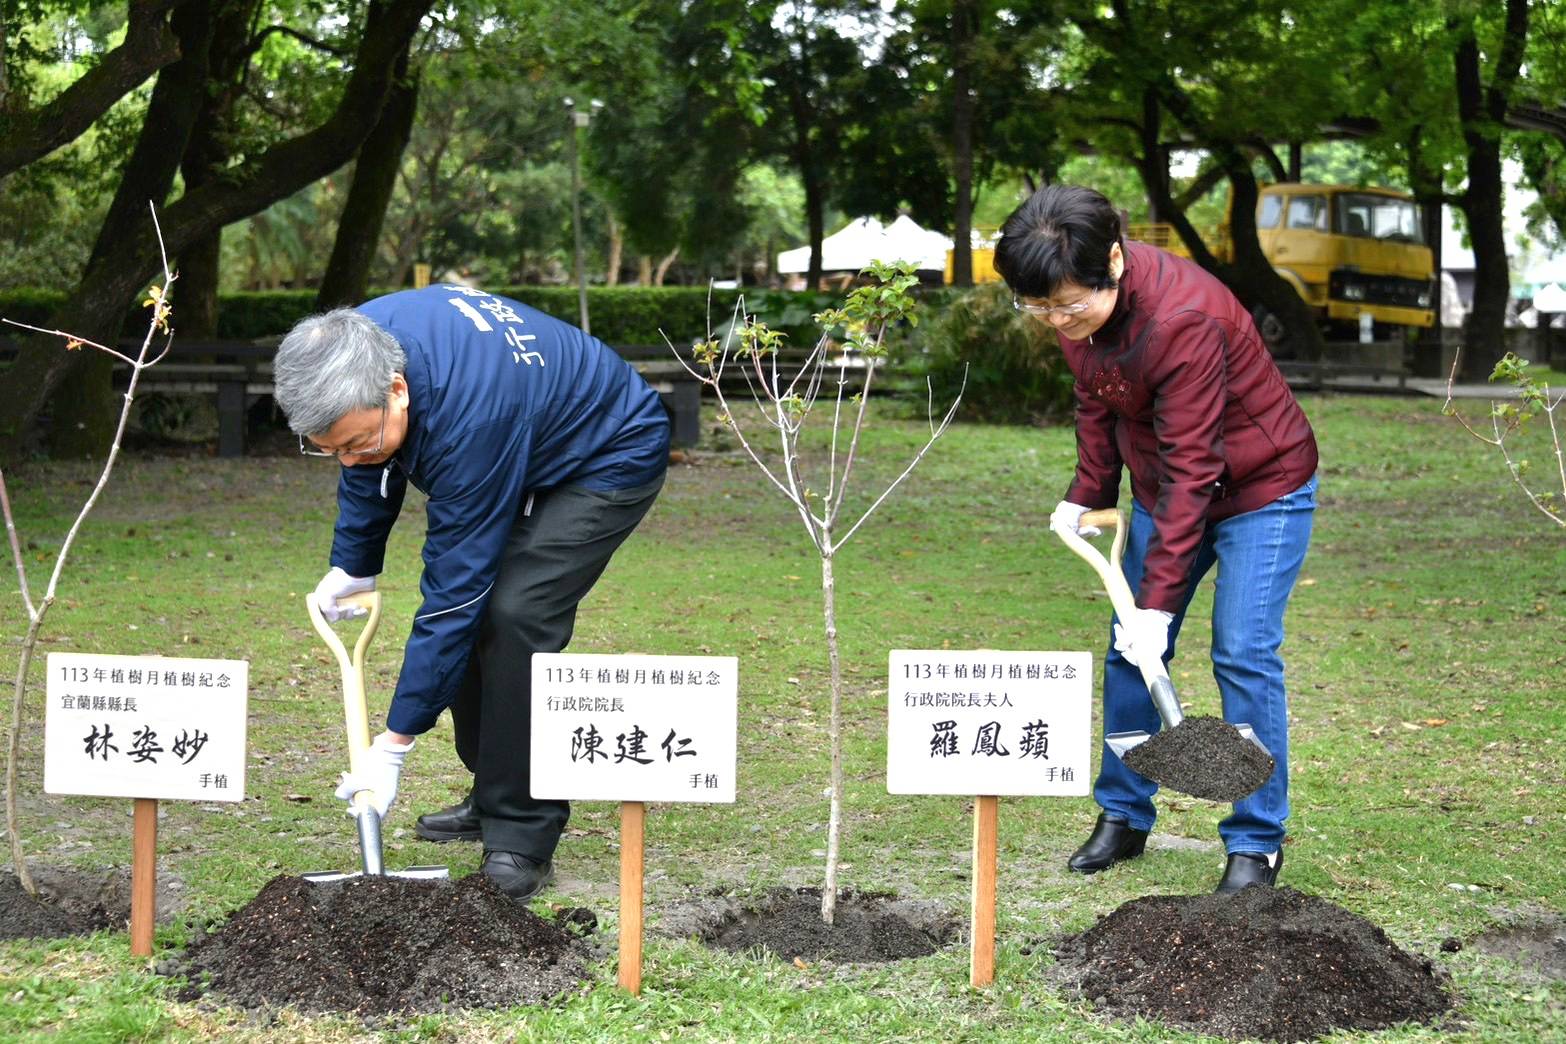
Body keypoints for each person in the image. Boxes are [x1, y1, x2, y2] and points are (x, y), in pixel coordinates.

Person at [273, 284, 670, 901]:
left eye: (354, 442)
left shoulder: (471, 416)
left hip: (605, 452)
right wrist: (355, 564)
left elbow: (456, 590)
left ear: (397, 389)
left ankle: (522, 828)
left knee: (511, 616)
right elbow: (369, 464)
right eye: (330, 450)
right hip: (526, 435)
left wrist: (396, 741)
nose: (347, 460)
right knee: (480, 614)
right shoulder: (355, 346)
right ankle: (494, 790)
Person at [993, 185, 1319, 893]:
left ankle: (1255, 842)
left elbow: (1196, 469)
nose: (1056, 319)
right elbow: (1095, 400)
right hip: (1165, 488)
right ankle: (1124, 812)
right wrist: (1087, 494)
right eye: (1040, 307)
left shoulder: (1184, 319)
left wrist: (1160, 606)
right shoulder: (1074, 301)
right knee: (1127, 653)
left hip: (1261, 489)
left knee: (1242, 651)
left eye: (1070, 305)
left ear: (1114, 258)